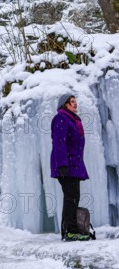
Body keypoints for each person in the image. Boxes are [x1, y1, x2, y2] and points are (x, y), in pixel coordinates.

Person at [50, 93, 90, 242]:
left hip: (74, 165)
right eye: (71, 102)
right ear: (64, 105)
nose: (75, 104)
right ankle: (71, 231)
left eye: (75, 101)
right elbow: (59, 143)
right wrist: (61, 165)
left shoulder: (72, 120)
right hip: (66, 166)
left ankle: (67, 229)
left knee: (72, 197)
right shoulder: (61, 118)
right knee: (71, 197)